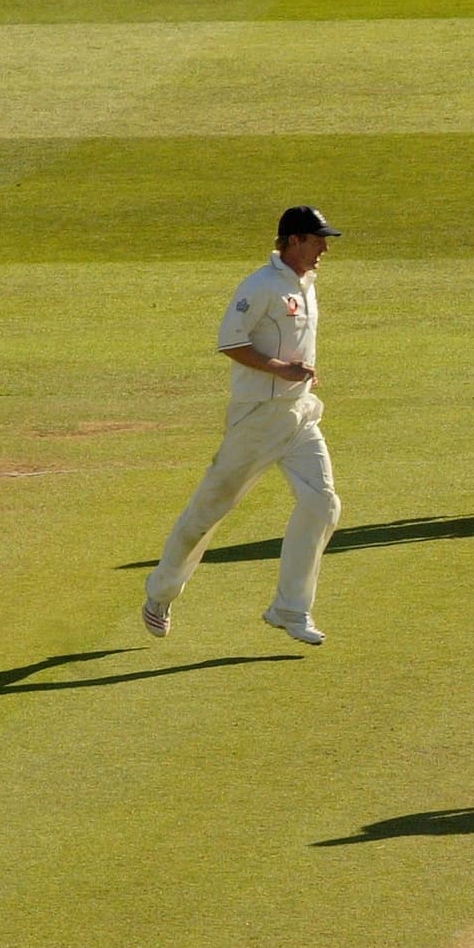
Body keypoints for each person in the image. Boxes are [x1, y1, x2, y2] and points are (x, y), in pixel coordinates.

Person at [141, 206, 345, 646]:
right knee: (209, 510)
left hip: (299, 414)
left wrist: (301, 374)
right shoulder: (261, 285)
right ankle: (160, 592)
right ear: (293, 241)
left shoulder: (305, 284)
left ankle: (290, 608)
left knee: (323, 504)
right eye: (317, 240)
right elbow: (230, 342)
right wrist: (282, 369)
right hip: (257, 419)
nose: (324, 249)